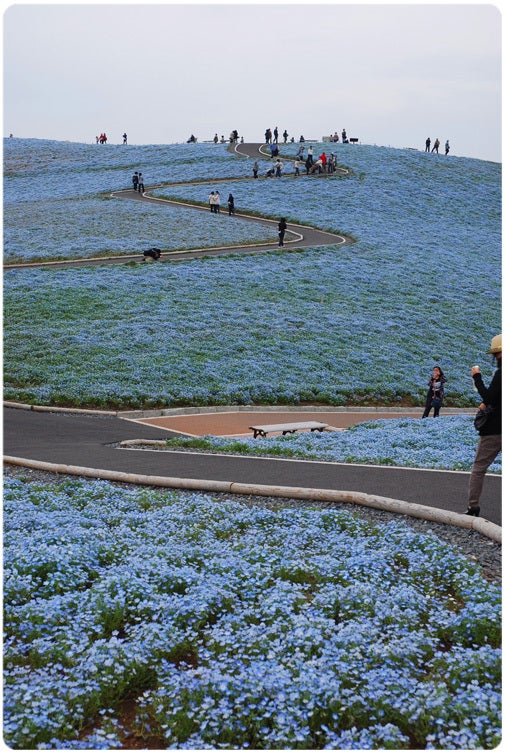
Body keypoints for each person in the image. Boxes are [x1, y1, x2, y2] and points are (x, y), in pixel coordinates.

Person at [466, 334, 502, 517]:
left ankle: (473, 507)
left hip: (495, 430)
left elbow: (489, 398)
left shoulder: (501, 373)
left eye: (497, 354)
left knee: (479, 468)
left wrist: (477, 377)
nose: (496, 358)